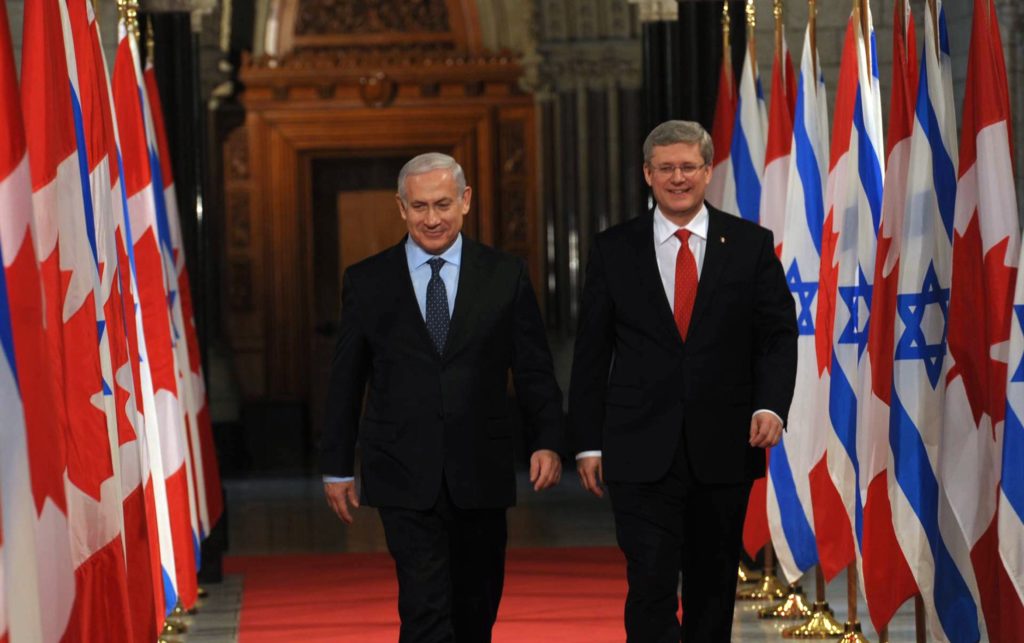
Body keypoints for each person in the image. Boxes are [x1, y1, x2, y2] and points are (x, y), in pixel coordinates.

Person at [320, 152, 564, 643]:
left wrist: (548, 440)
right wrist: (338, 467)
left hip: (481, 469)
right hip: (402, 471)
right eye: (419, 206)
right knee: (424, 608)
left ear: (466, 201)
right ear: (400, 207)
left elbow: (534, 368)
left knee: (475, 610)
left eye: (443, 204)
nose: (431, 218)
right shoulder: (367, 281)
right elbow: (346, 381)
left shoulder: (504, 275)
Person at [568, 120, 798, 642]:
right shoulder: (614, 248)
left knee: (712, 588)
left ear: (707, 171)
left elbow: (778, 336)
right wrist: (584, 442)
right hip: (637, 448)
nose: (678, 178)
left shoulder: (749, 245)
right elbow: (591, 351)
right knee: (648, 582)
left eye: (688, 167)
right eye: (666, 168)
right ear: (647, 174)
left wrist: (771, 406)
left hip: (723, 445)